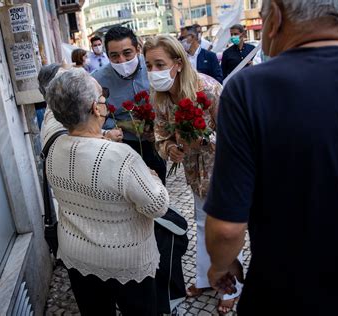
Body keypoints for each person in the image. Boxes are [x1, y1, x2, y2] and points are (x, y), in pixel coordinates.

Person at [204, 0, 338, 315]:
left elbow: (228, 229)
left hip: (287, 297)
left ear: (276, 14)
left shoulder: (250, 89)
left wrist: (220, 266)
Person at [43, 68, 169, 316]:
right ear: (95, 108)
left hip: (77, 257)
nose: (105, 102)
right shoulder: (120, 156)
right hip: (126, 260)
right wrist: (153, 179)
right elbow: (157, 206)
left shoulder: (53, 147)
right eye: (102, 98)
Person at [144, 35, 242, 315]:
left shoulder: (208, 90)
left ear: (178, 63)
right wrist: (171, 149)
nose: (154, 72)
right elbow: (161, 137)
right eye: (149, 65)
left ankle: (230, 287)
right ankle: (205, 279)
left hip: (223, 171)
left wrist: (203, 138)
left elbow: (234, 137)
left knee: (223, 231)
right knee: (201, 225)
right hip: (194, 175)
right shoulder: (161, 98)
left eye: (159, 64)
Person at [92, 26, 167, 183]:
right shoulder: (97, 80)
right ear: (107, 55)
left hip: (156, 142)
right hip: (122, 146)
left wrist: (159, 126)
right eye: (114, 56)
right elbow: (95, 116)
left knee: (158, 187)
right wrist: (123, 124)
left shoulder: (153, 67)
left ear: (137, 49)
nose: (122, 60)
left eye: (127, 53)